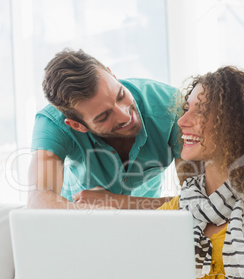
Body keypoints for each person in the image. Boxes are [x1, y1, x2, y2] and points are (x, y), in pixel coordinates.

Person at [63, 66, 244, 279]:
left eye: (202, 112)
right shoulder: (174, 213)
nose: (183, 121)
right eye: (186, 110)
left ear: (236, 123)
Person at [27, 48, 181, 210]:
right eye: (104, 116)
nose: (125, 116)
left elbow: (198, 201)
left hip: (149, 222)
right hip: (80, 222)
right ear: (77, 125)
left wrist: (116, 202)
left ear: (112, 75)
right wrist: (96, 214)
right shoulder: (53, 123)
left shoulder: (171, 106)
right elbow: (37, 202)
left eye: (121, 95)